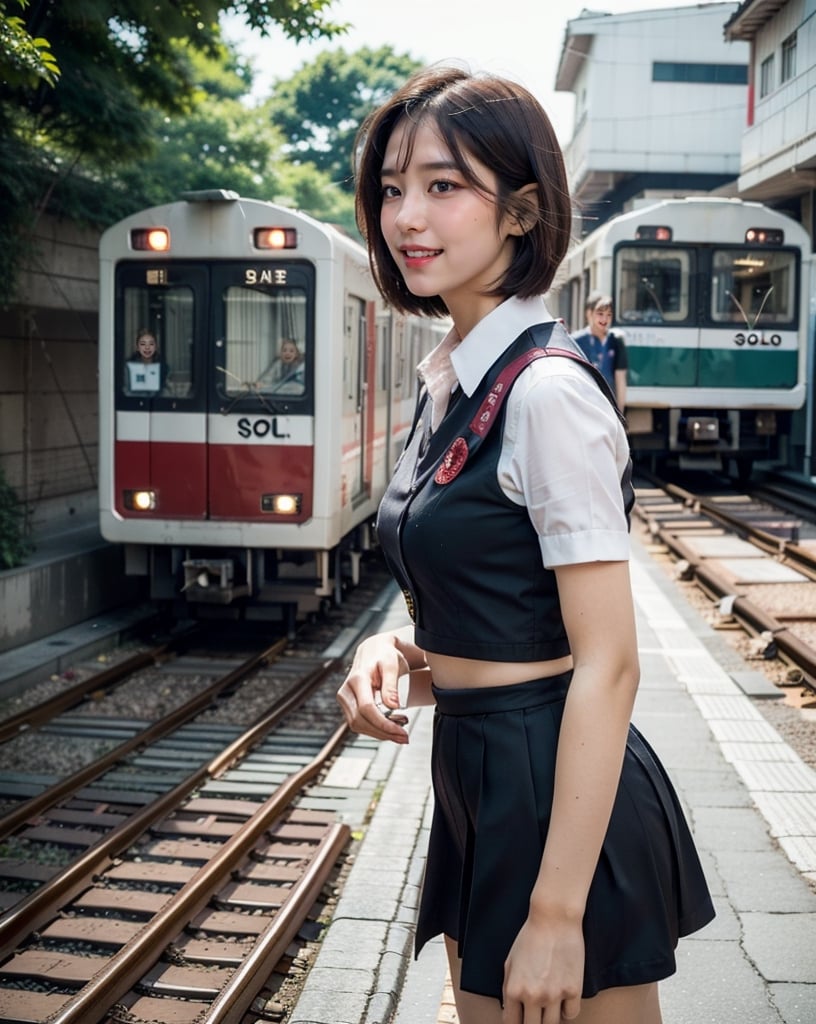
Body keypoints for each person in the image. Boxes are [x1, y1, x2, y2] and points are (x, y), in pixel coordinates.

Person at [336, 65, 714, 1024]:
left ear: (521, 211)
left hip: (556, 793)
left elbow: (609, 663)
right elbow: (503, 622)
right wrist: (398, 658)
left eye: (443, 185)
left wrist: (557, 912)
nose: (407, 216)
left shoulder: (546, 392)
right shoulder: (449, 383)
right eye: (391, 188)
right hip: (479, 776)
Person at [571, 293, 628, 410]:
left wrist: (620, 414)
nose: (604, 319)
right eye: (600, 314)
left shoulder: (616, 340)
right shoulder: (575, 341)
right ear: (589, 313)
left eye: (609, 315)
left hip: (608, 406)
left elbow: (620, 379)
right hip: (583, 405)